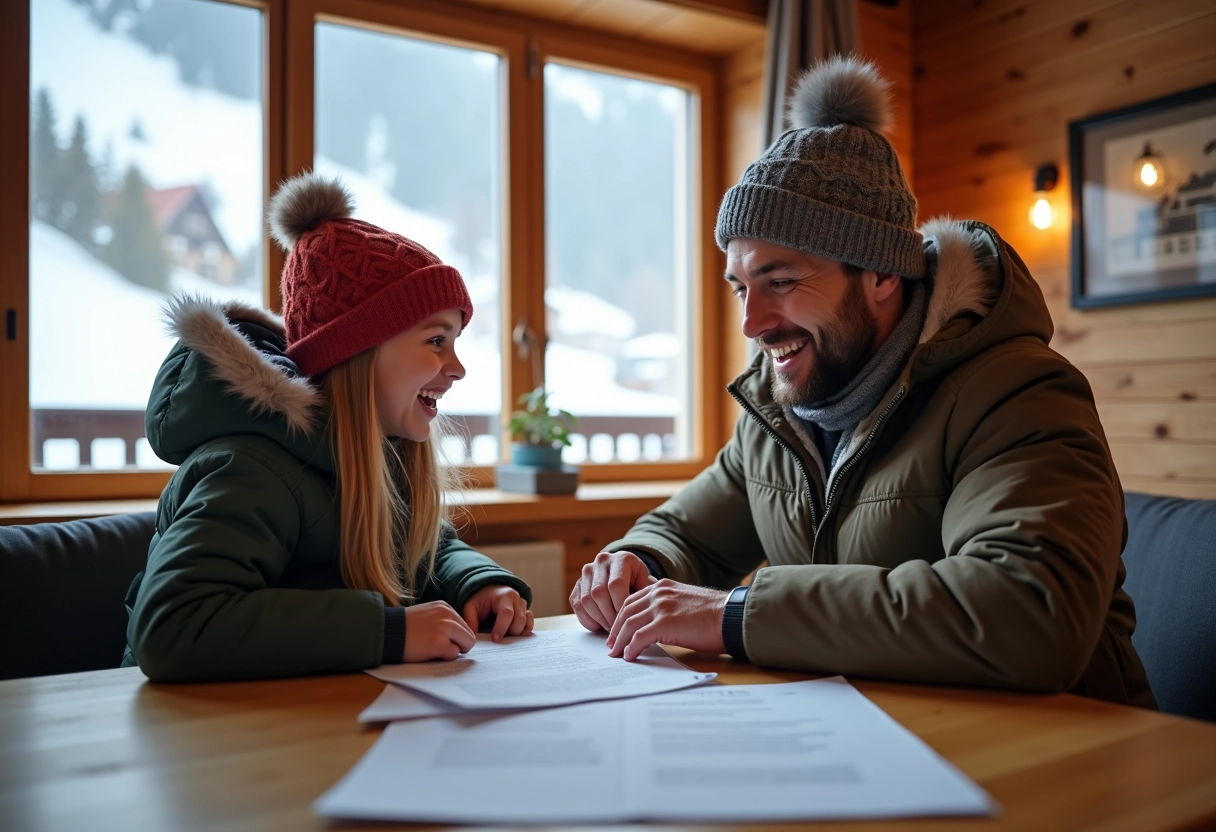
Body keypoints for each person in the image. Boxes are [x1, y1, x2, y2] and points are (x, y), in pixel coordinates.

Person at [570, 56, 1154, 707]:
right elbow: (687, 534)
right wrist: (635, 565)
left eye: (782, 282)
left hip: (1071, 761)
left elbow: (1029, 613)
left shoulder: (1019, 393)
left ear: (880, 274)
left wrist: (735, 615)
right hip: (879, 740)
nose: (752, 323)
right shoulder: (779, 410)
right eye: (741, 286)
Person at [123, 172, 533, 682]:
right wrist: (388, 633)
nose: (457, 367)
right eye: (436, 341)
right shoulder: (251, 469)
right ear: (357, 351)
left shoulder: (376, 451)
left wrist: (476, 584)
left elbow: (425, 545)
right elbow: (172, 626)